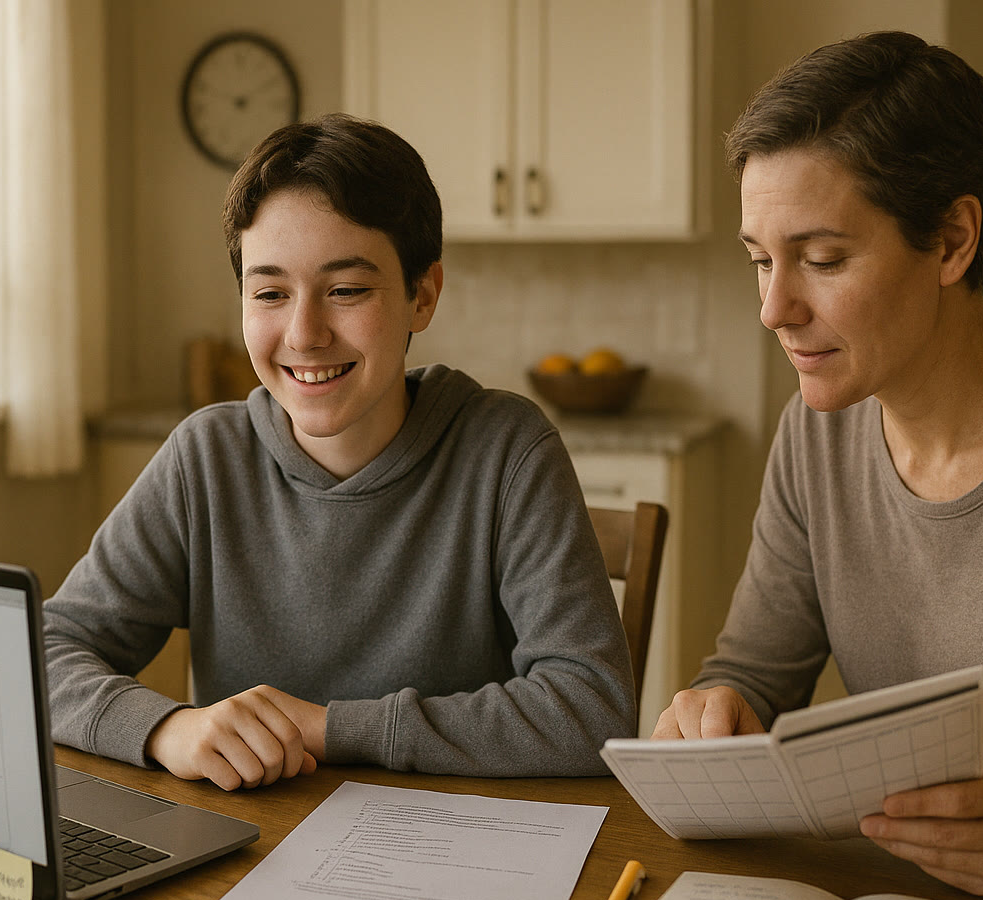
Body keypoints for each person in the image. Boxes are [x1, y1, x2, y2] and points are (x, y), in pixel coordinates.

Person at [654, 31, 983, 895]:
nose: (773, 308)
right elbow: (754, 673)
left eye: (822, 259)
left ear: (953, 239)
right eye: (760, 261)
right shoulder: (815, 429)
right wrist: (712, 714)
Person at [44, 113, 636, 792]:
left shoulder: (506, 452)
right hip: (245, 858)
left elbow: (591, 709)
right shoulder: (204, 459)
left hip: (457, 853)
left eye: (347, 290)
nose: (304, 333)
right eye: (270, 293)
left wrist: (324, 728)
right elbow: (42, 655)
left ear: (423, 294)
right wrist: (164, 728)